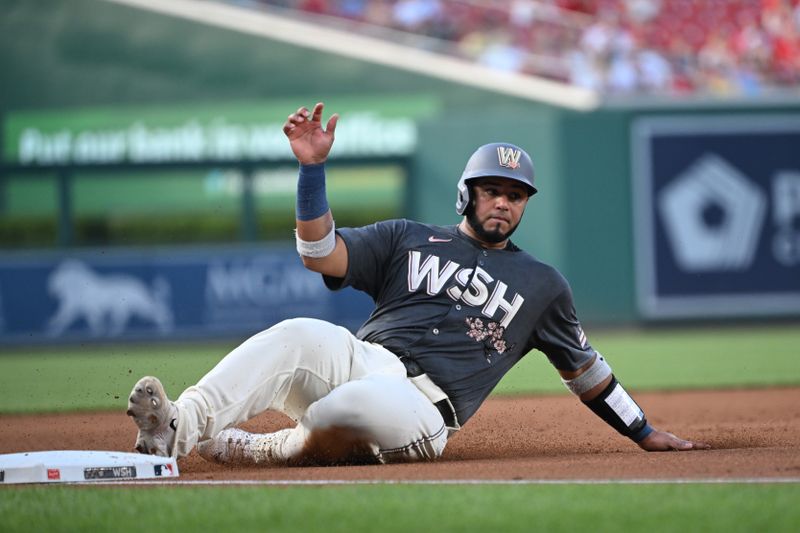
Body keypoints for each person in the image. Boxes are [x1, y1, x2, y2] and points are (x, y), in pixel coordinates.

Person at [126, 102, 710, 465]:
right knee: (298, 332)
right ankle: (176, 429)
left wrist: (644, 431)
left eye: (515, 196)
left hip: (425, 407)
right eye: (492, 191)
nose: (504, 203)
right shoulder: (407, 237)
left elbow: (589, 372)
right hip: (367, 358)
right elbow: (318, 252)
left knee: (349, 408)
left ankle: (258, 449)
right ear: (467, 194)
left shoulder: (542, 284)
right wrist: (312, 171)